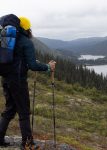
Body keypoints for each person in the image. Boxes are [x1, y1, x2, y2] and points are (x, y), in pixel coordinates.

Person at [0, 14, 56, 149]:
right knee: (24, 112)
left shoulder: (8, 40)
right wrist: (48, 67)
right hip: (18, 82)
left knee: (9, 110)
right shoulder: (26, 42)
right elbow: (32, 65)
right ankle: (28, 143)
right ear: (27, 29)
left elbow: (16, 60)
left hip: (6, 79)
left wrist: (27, 62)